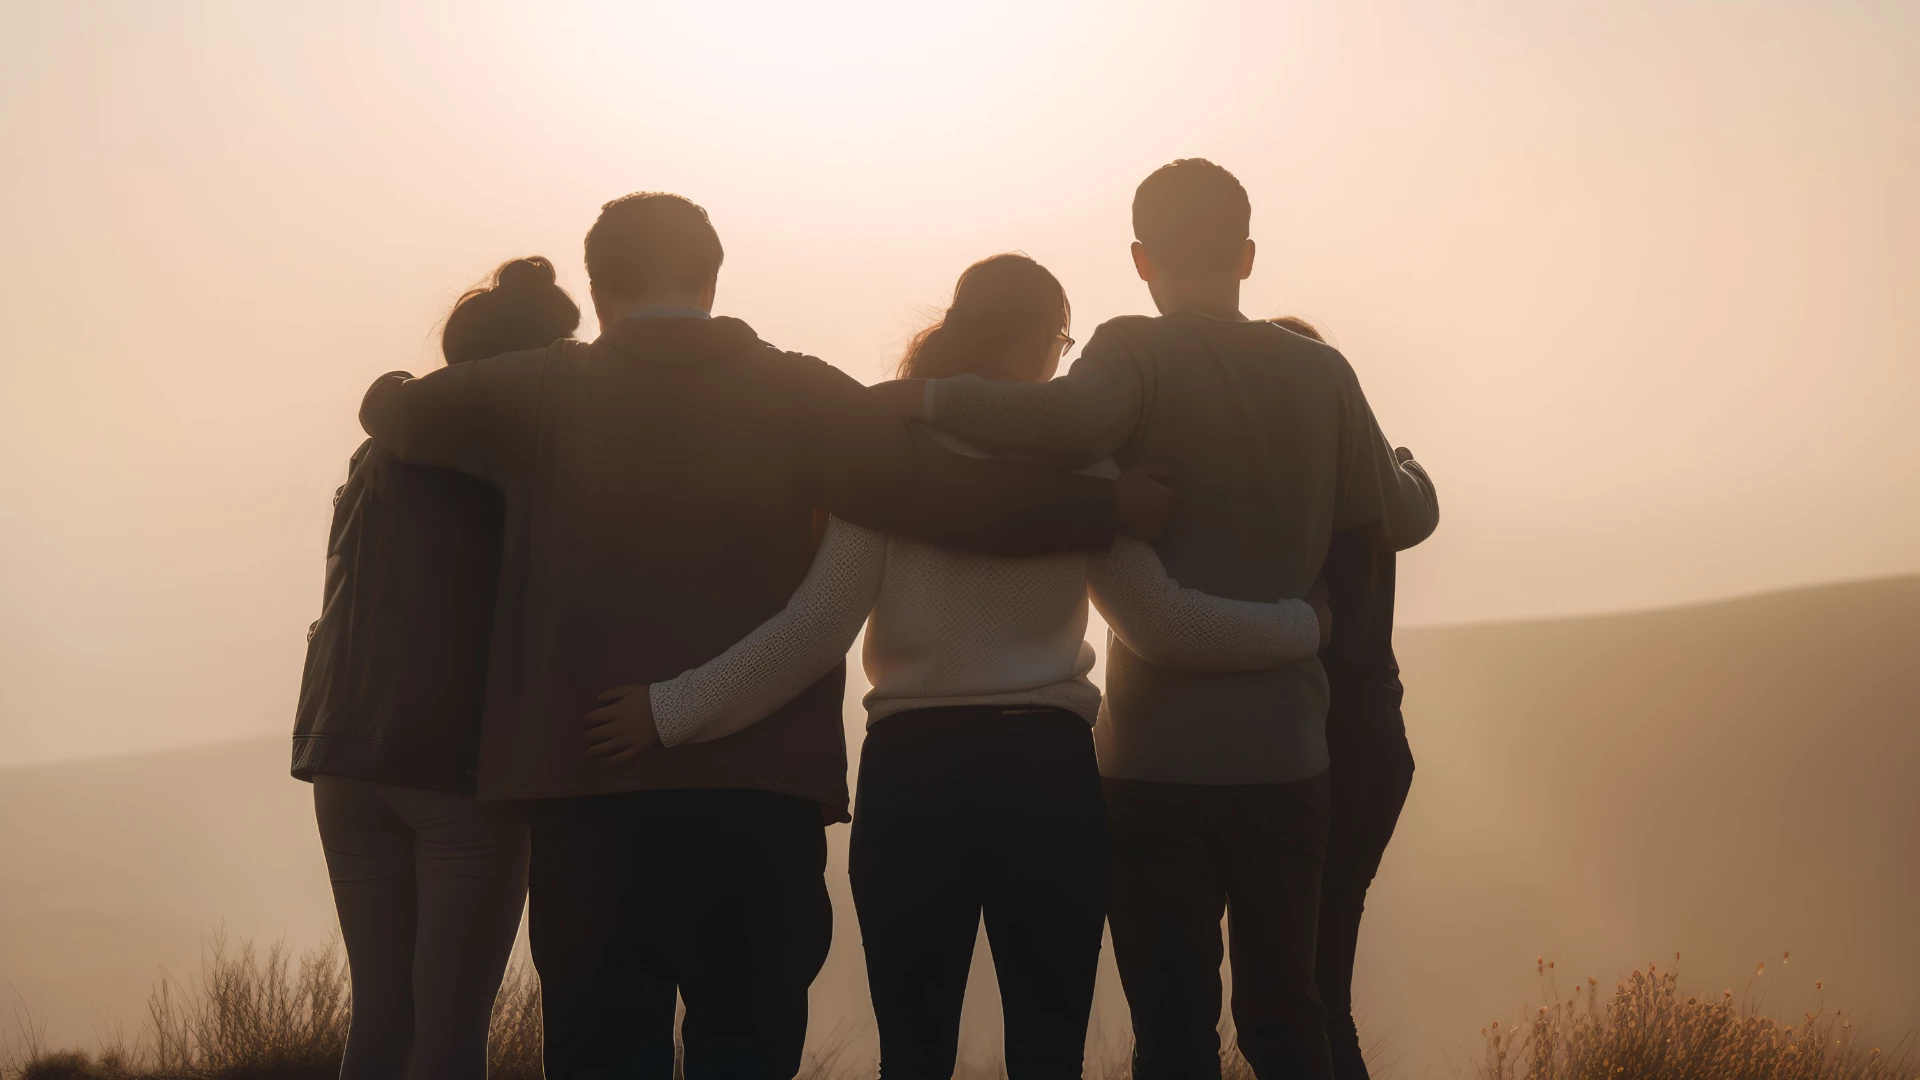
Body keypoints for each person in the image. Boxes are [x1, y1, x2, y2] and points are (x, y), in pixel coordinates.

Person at [355, 194, 1177, 1080]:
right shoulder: (801, 392)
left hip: (588, 790)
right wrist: (1104, 504)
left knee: (606, 1048)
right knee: (747, 1046)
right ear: (712, 278)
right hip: (762, 799)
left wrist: (399, 389)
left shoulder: (533, 388)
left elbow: (391, 413)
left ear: (598, 289)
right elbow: (941, 494)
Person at [598, 253, 1332, 1080]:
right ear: (1033, 343)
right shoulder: (1088, 473)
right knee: (1048, 1055)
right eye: (1060, 339)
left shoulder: (889, 465)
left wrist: (669, 709)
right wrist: (1302, 624)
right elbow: (1165, 625)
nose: (1061, 359)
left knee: (915, 1056)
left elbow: (811, 632)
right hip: (1048, 779)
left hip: (916, 781)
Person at [875, 160, 1438, 1080]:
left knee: (1173, 1034)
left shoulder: (1132, 351)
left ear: (1140, 259)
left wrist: (927, 396)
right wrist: (1409, 466)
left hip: (1152, 767)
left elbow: (1057, 423)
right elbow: (1401, 516)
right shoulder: (1322, 373)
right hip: (1287, 759)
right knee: (1288, 1017)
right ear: (1248, 255)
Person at [293, 256, 581, 1078]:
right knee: (452, 1027)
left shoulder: (375, 457)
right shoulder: (513, 456)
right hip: (456, 766)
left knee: (381, 1015)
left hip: (343, 755)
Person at [1268, 316, 1416, 1080]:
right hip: (1378, 741)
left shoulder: (1286, 496)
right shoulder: (1375, 486)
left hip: (1321, 746)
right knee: (1324, 986)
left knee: (1304, 999)